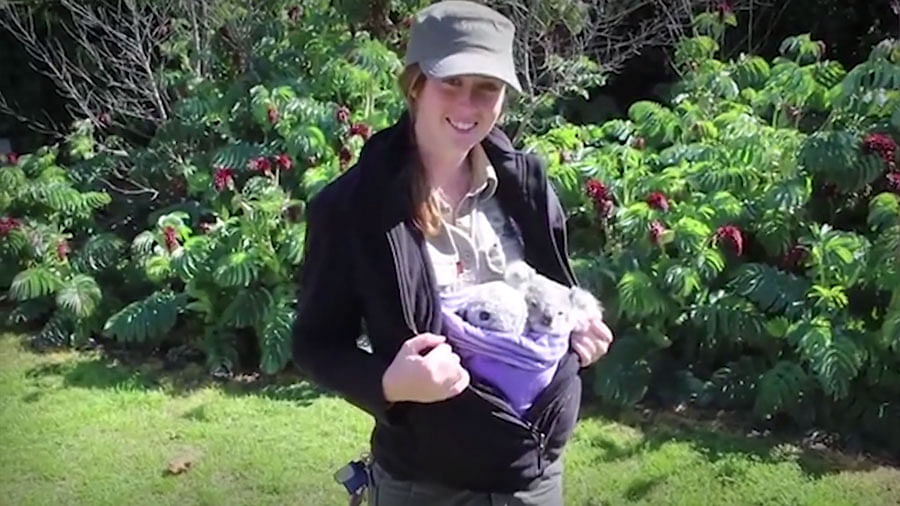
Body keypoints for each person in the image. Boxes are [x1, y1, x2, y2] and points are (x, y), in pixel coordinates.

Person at [291, 1, 615, 504]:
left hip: (533, 478)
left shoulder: (527, 188)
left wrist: (579, 336)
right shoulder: (353, 207)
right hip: (426, 484)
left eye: (486, 87)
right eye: (452, 83)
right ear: (416, 84)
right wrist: (390, 383)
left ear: (503, 97)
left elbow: (551, 297)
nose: (468, 105)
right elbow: (315, 345)